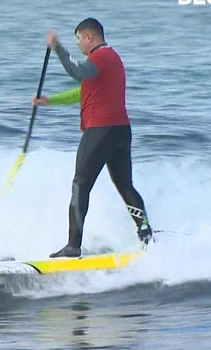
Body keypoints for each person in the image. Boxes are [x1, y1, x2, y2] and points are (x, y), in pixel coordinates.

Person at [32, 18, 153, 258]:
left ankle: (73, 246)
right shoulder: (113, 59)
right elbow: (83, 90)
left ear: (90, 37)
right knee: (125, 186)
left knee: (80, 185)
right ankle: (147, 237)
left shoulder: (100, 58)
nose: (78, 44)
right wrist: (51, 100)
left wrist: (58, 47)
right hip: (120, 131)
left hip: (100, 130)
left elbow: (78, 71)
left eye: (78, 39)